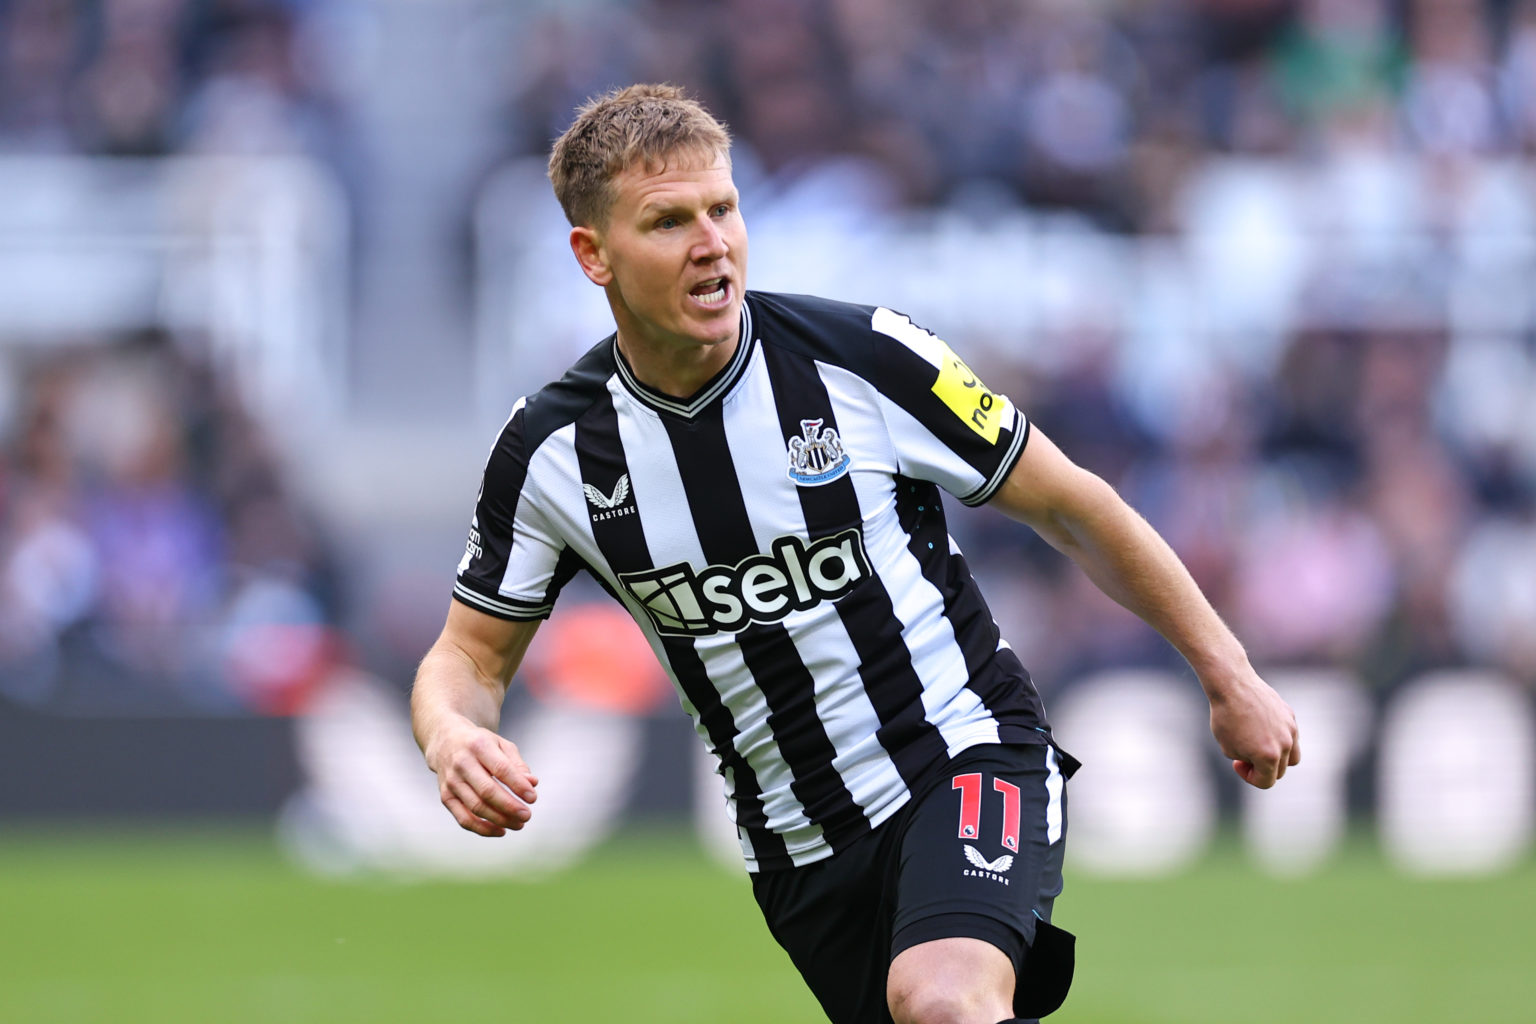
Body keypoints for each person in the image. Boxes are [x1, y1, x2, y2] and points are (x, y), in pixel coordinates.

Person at [410, 83, 1300, 1024]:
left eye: (724, 208)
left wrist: (1227, 672)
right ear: (594, 255)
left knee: (945, 1003)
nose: (712, 242)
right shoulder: (552, 452)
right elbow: (467, 656)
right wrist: (450, 735)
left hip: (963, 751)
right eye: (668, 221)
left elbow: (1073, 506)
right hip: (797, 847)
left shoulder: (863, 359)